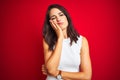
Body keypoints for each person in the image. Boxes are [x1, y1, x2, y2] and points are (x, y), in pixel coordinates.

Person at [42, 4, 92, 80]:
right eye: (53, 18)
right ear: (50, 23)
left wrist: (58, 73)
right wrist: (60, 38)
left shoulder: (82, 41)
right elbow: (51, 69)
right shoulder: (47, 40)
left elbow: (87, 76)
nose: (58, 19)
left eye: (61, 15)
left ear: (67, 17)